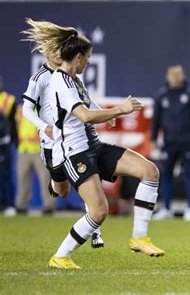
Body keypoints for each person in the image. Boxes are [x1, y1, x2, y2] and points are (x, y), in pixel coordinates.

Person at [23, 19, 164, 269]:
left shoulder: (73, 78)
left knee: (150, 171)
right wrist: (120, 110)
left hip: (94, 146)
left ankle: (139, 238)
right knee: (99, 212)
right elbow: (85, 115)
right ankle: (61, 255)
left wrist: (107, 113)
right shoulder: (60, 82)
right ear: (77, 57)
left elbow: (89, 107)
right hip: (75, 153)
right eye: (88, 57)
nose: (89, 62)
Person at [21, 18, 104, 247]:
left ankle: (95, 230)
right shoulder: (40, 78)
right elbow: (27, 108)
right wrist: (43, 127)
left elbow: (85, 99)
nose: (60, 55)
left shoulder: (71, 77)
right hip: (50, 143)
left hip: (71, 140)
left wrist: (101, 114)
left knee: (88, 176)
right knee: (63, 190)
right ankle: (56, 185)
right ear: (48, 53)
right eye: (56, 51)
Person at [151, 64, 190, 221]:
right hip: (169, 141)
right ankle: (166, 208)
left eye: (178, 74)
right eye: (172, 75)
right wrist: (153, 139)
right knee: (166, 174)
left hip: (188, 141)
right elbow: (155, 121)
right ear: (167, 76)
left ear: (183, 75)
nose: (175, 77)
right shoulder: (161, 96)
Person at [15, 104, 55, 215]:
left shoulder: (42, 109)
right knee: (22, 179)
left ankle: (49, 206)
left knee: (45, 179)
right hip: (23, 149)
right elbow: (16, 126)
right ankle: (21, 205)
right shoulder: (20, 109)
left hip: (39, 149)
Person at [0, 79, 18, 216]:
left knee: (5, 175)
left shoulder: (9, 100)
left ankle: (9, 205)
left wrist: (11, 140)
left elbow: (12, 124)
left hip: (3, 143)